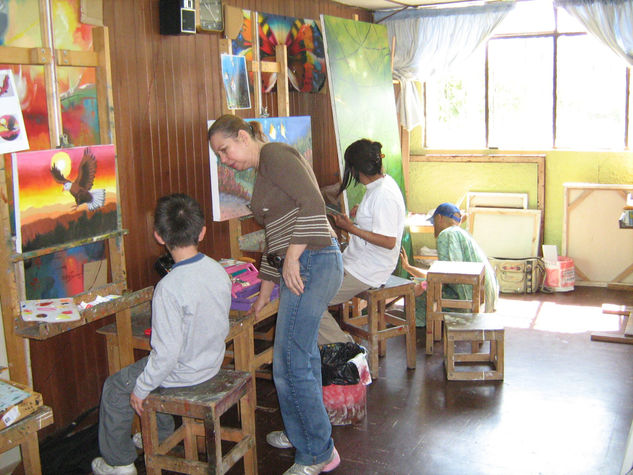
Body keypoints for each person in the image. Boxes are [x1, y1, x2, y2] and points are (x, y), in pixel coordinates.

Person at [208, 115, 343, 475]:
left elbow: (314, 204)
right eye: (218, 155)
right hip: (306, 263)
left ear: (241, 136)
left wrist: (294, 259)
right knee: (303, 357)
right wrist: (265, 290)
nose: (224, 159)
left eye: (224, 150)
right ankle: (306, 433)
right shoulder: (265, 169)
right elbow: (276, 238)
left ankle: (318, 453)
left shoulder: (276, 156)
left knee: (288, 361)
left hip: (313, 261)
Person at [91, 194, 231, 475]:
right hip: (211, 365)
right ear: (202, 231)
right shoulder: (219, 271)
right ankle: (160, 436)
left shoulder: (168, 287)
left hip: (184, 374)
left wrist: (140, 389)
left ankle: (119, 462)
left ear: (159, 236)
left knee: (118, 387)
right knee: (153, 372)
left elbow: (166, 356)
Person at [317, 138, 406, 346]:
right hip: (359, 262)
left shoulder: (383, 195)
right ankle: (335, 347)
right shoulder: (380, 185)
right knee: (309, 295)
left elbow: (388, 241)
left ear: (355, 170)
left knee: (310, 303)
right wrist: (361, 217)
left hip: (369, 269)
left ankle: (347, 349)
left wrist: (351, 228)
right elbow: (378, 223)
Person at [400, 202, 499, 327]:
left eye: (433, 222)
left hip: (471, 300)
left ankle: (421, 330)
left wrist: (423, 286)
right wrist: (408, 268)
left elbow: (448, 275)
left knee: (415, 293)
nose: (433, 227)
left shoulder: (446, 234)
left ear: (439, 218)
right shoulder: (460, 233)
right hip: (485, 298)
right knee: (422, 284)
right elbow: (441, 273)